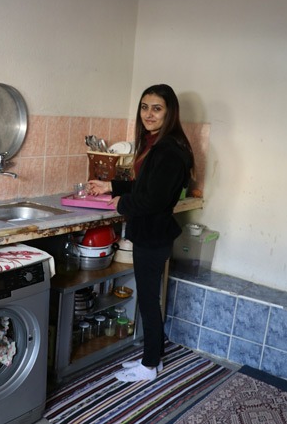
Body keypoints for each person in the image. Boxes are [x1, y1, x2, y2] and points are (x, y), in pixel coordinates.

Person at [87, 84, 195, 382]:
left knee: (148, 300)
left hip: (153, 234)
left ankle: (149, 366)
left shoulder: (168, 150)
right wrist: (111, 186)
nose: (149, 114)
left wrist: (122, 203)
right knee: (148, 299)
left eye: (157, 108)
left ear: (170, 112)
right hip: (152, 233)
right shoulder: (156, 143)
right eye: (145, 107)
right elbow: (146, 186)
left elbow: (153, 200)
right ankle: (153, 359)